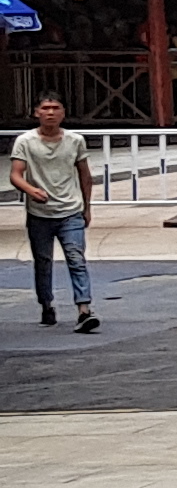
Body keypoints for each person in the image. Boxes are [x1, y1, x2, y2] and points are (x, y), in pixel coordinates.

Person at [13, 96, 98, 333]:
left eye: (55, 108)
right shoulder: (25, 141)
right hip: (39, 212)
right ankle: (46, 304)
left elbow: (85, 175)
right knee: (43, 261)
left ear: (63, 112)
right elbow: (16, 173)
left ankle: (84, 309)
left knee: (76, 258)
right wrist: (30, 190)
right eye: (45, 108)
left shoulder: (75, 140)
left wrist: (87, 207)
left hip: (70, 210)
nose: (50, 112)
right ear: (36, 112)